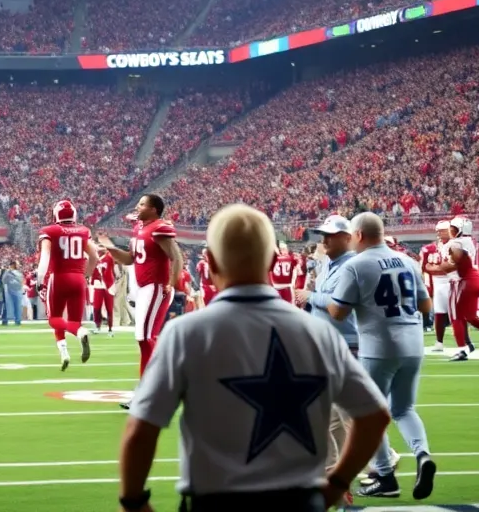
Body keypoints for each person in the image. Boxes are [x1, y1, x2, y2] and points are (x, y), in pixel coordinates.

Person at [118, 204, 391, 512]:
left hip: (216, 501)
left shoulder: (185, 333)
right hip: (299, 499)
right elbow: (374, 416)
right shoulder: (318, 333)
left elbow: (140, 430)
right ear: (274, 261)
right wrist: (337, 483)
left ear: (208, 262)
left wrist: (132, 501)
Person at [327, 212, 436, 500]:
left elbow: (338, 313)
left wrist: (319, 296)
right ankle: (423, 455)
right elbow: (426, 306)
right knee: (403, 409)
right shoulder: (409, 261)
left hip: (379, 346)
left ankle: (386, 477)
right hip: (413, 344)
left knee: (367, 414)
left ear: (359, 235)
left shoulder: (356, 265)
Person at [293, 214, 359, 498]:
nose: (324, 240)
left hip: (344, 344)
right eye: (323, 234)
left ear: (348, 237)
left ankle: (380, 463)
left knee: (343, 416)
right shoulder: (329, 266)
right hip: (327, 344)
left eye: (331, 235)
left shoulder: (351, 267)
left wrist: (309, 296)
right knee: (330, 418)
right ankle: (335, 476)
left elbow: (337, 308)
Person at [99, 194, 181, 404]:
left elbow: (176, 256)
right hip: (145, 287)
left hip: (156, 286)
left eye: (143, 204)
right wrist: (109, 247)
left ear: (154, 209)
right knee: (144, 338)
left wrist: (171, 282)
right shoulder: (139, 229)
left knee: (145, 337)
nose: (138, 206)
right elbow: (129, 259)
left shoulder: (159, 228)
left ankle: (151, 389)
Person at [37, 199, 95, 369]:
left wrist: (40, 279)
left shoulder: (50, 230)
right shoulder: (83, 230)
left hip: (59, 277)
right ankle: (66, 352)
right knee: (74, 321)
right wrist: (87, 276)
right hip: (78, 279)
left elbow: (45, 257)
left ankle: (68, 346)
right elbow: (94, 256)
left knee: (54, 319)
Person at [427, 216, 479, 362]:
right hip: (473, 278)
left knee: (456, 316)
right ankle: (466, 346)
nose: (450, 231)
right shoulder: (469, 241)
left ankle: (462, 349)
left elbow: (449, 266)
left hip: (461, 281)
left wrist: (434, 267)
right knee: (470, 317)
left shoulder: (455, 243)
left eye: (453, 229)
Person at [420, 222, 451, 352]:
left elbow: (451, 268)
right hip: (438, 283)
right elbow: (425, 267)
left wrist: (436, 268)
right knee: (439, 312)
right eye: (438, 231)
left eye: (443, 230)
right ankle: (439, 342)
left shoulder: (458, 245)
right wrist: (440, 268)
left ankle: (466, 342)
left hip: (455, 281)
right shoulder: (430, 249)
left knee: (463, 314)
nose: (440, 233)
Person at [92, 246, 117, 333]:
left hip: (108, 285)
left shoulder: (108, 258)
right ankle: (97, 326)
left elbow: (109, 270)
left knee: (109, 307)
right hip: (98, 284)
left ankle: (110, 328)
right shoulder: (94, 257)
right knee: (96, 307)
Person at [0, 260, 24, 327]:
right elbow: (3, 281)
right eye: (17, 264)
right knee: (7, 306)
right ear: (13, 265)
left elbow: (21, 281)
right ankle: (5, 320)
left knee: (18, 307)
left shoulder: (19, 273)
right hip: (9, 291)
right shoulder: (7, 272)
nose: (19, 266)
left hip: (18, 291)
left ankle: (18, 321)